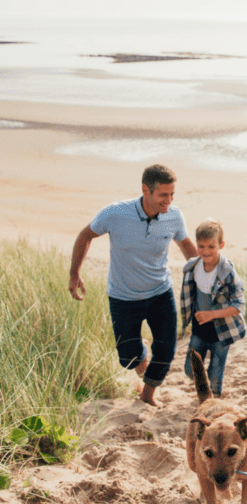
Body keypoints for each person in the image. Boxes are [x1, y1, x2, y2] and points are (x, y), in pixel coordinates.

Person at [69, 164, 198, 407]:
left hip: (161, 293)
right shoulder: (116, 213)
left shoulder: (174, 216)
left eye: (172, 195)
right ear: (145, 190)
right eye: (163, 195)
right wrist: (74, 272)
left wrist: (203, 276)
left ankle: (147, 395)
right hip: (123, 297)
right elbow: (85, 235)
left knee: (167, 352)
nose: (168, 201)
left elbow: (186, 246)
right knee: (129, 359)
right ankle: (141, 351)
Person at [180, 218, 246, 397]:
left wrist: (212, 315)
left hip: (221, 333)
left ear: (221, 245)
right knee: (189, 369)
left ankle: (212, 398)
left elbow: (239, 305)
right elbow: (188, 298)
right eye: (201, 246)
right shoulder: (192, 268)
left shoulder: (227, 272)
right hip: (199, 330)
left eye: (211, 246)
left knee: (215, 374)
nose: (205, 251)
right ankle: (205, 389)